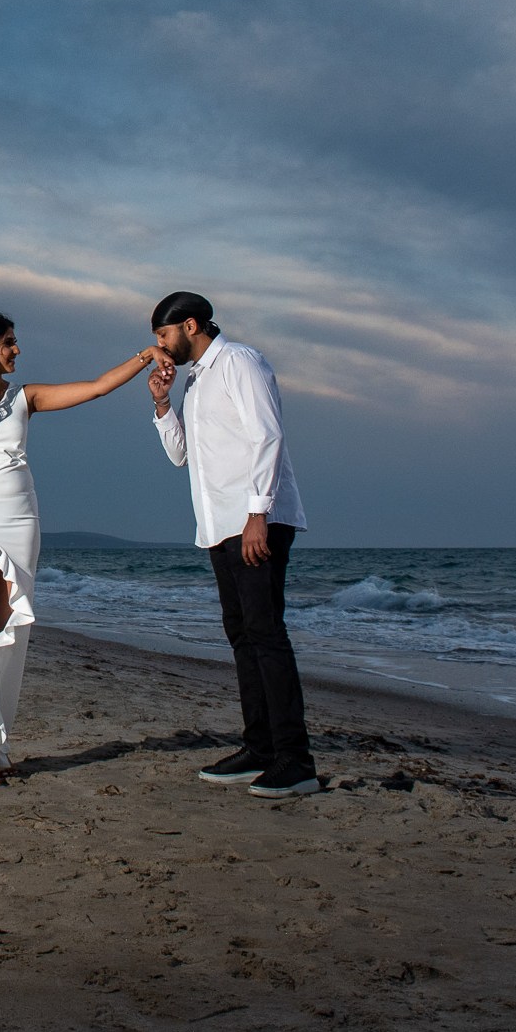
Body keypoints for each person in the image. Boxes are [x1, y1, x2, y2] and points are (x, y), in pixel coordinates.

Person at [0, 312, 161, 786]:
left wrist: (144, 356)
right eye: (10, 342)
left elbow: (95, 387)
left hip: (20, 516)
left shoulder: (25, 397)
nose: (17, 351)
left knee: (2, 627)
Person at [146, 292, 319, 798]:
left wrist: (257, 514)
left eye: (163, 335)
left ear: (190, 325)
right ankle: (259, 749)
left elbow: (268, 436)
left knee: (266, 634)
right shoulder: (196, 381)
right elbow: (183, 458)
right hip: (219, 525)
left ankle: (295, 760)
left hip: (254, 520)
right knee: (242, 635)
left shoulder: (240, 361)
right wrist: (161, 405)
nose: (159, 346)